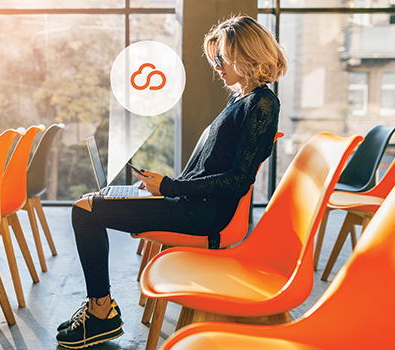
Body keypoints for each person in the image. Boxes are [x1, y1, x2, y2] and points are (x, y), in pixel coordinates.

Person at [56, 13, 288, 349]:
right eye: (215, 59)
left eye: (221, 57)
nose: (217, 66)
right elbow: (209, 168)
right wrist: (161, 186)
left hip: (203, 214)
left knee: (85, 211)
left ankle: (101, 314)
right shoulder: (240, 98)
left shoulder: (263, 104)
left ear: (245, 54)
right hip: (188, 201)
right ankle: (100, 311)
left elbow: (237, 181)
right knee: (89, 203)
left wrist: (169, 188)